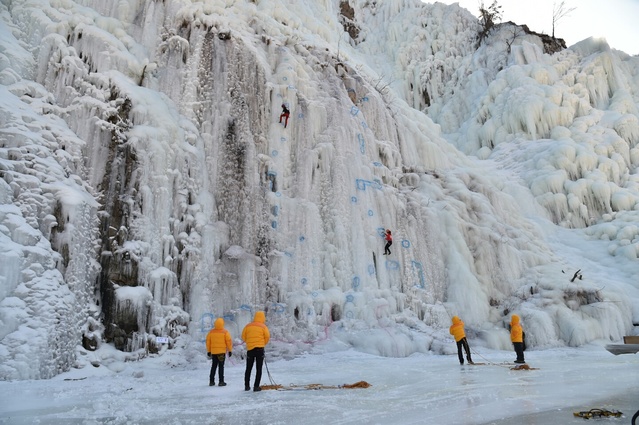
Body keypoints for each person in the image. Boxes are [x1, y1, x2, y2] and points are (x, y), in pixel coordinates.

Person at [242, 311, 270, 392]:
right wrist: (262, 343)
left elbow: (243, 336)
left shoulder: (248, 326)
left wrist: (249, 342)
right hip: (259, 350)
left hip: (250, 349)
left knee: (248, 368)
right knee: (259, 369)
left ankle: (247, 386)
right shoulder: (263, 326)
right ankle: (256, 386)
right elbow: (267, 336)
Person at [206, 317, 233, 387]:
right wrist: (230, 350)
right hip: (221, 352)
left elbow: (208, 342)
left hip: (214, 352)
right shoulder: (225, 332)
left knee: (214, 366)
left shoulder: (211, 332)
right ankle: (221, 381)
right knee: (221, 366)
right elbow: (229, 342)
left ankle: (211, 381)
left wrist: (209, 351)